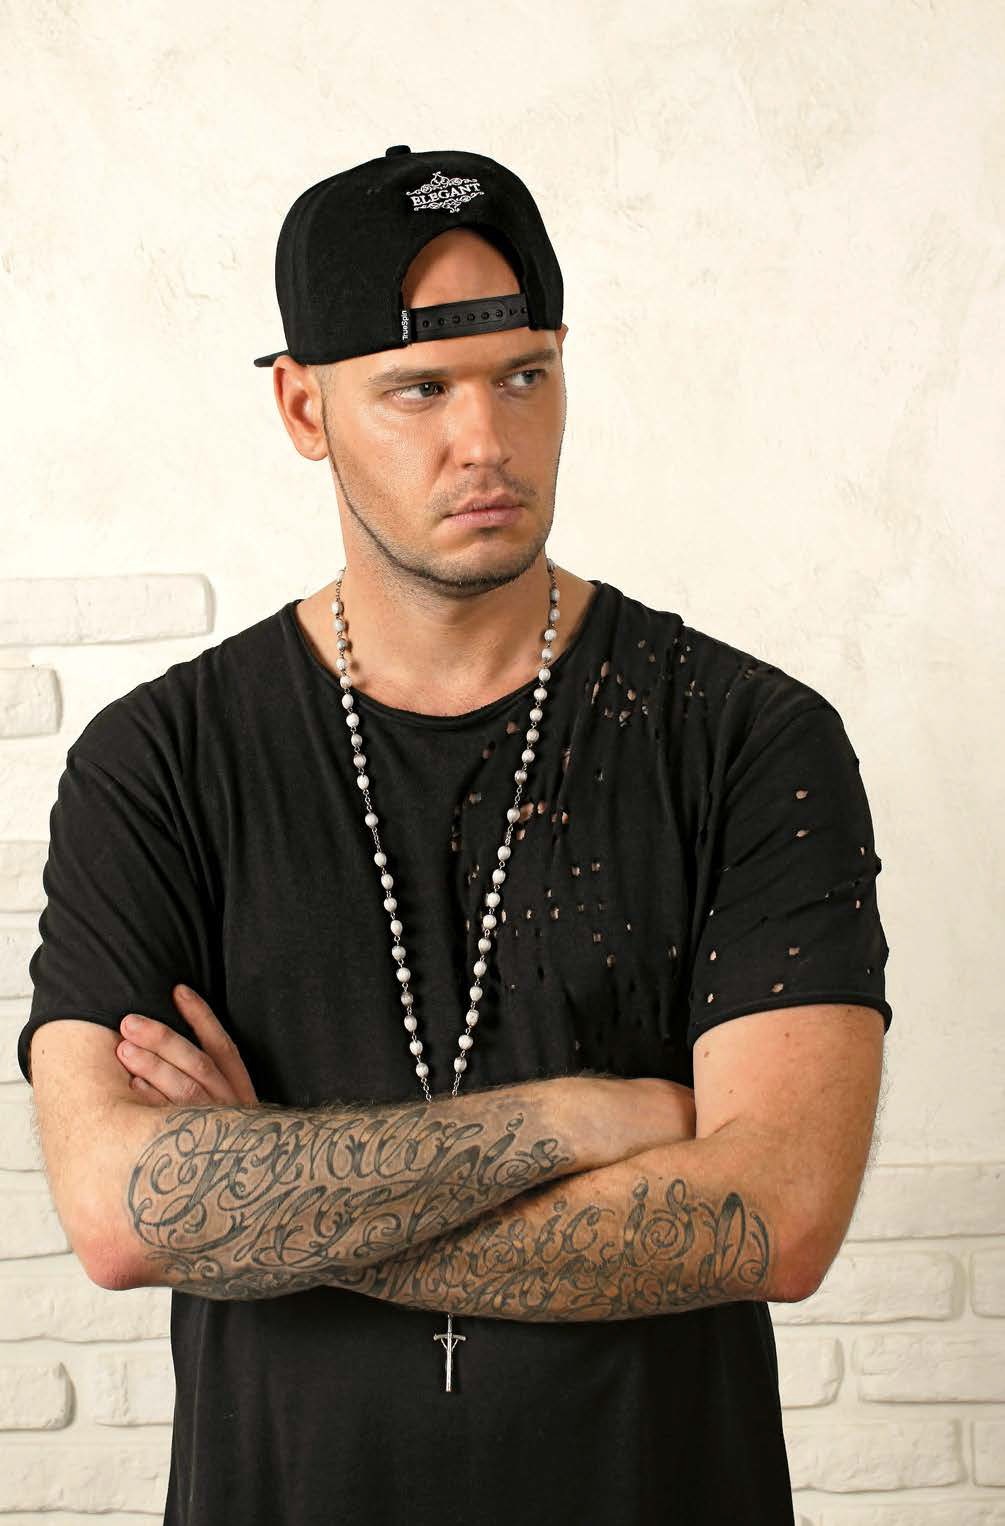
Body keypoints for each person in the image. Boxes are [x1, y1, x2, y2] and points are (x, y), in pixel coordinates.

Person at [20, 146, 893, 1526]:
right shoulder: (159, 762)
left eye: (522, 376)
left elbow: (774, 1217)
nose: (484, 438)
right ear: (303, 407)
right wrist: (575, 1119)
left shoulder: (744, 736)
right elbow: (118, 1211)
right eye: (419, 388)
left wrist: (270, 1199)